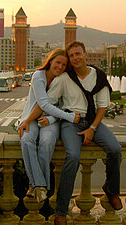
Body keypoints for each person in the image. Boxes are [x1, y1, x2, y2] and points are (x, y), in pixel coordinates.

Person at [21, 41, 123, 224]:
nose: (75, 58)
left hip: (93, 121)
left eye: (78, 54)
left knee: (115, 149)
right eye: (72, 55)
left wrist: (92, 129)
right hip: (71, 124)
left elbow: (102, 107)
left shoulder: (98, 76)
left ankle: (112, 189)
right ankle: (61, 210)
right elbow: (45, 103)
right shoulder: (64, 78)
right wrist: (27, 120)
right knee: (73, 156)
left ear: (85, 54)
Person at [18, 48, 80, 204]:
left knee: (46, 143)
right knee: (26, 140)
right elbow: (43, 104)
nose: (60, 67)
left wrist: (51, 120)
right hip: (31, 118)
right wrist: (70, 117)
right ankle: (40, 185)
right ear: (50, 61)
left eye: (64, 65)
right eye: (57, 62)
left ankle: (36, 186)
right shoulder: (39, 76)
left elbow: (62, 105)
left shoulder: (64, 79)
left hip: (51, 120)